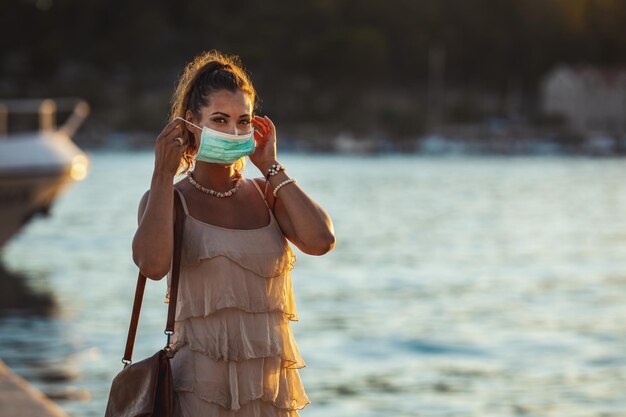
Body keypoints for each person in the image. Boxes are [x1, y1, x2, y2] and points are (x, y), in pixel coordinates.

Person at [131, 50, 335, 417]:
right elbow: (152, 265)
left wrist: (271, 166)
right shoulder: (170, 199)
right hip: (198, 391)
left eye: (243, 122)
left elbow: (321, 241)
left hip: (268, 390)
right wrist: (162, 175)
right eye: (220, 120)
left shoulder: (266, 194)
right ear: (191, 122)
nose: (233, 132)